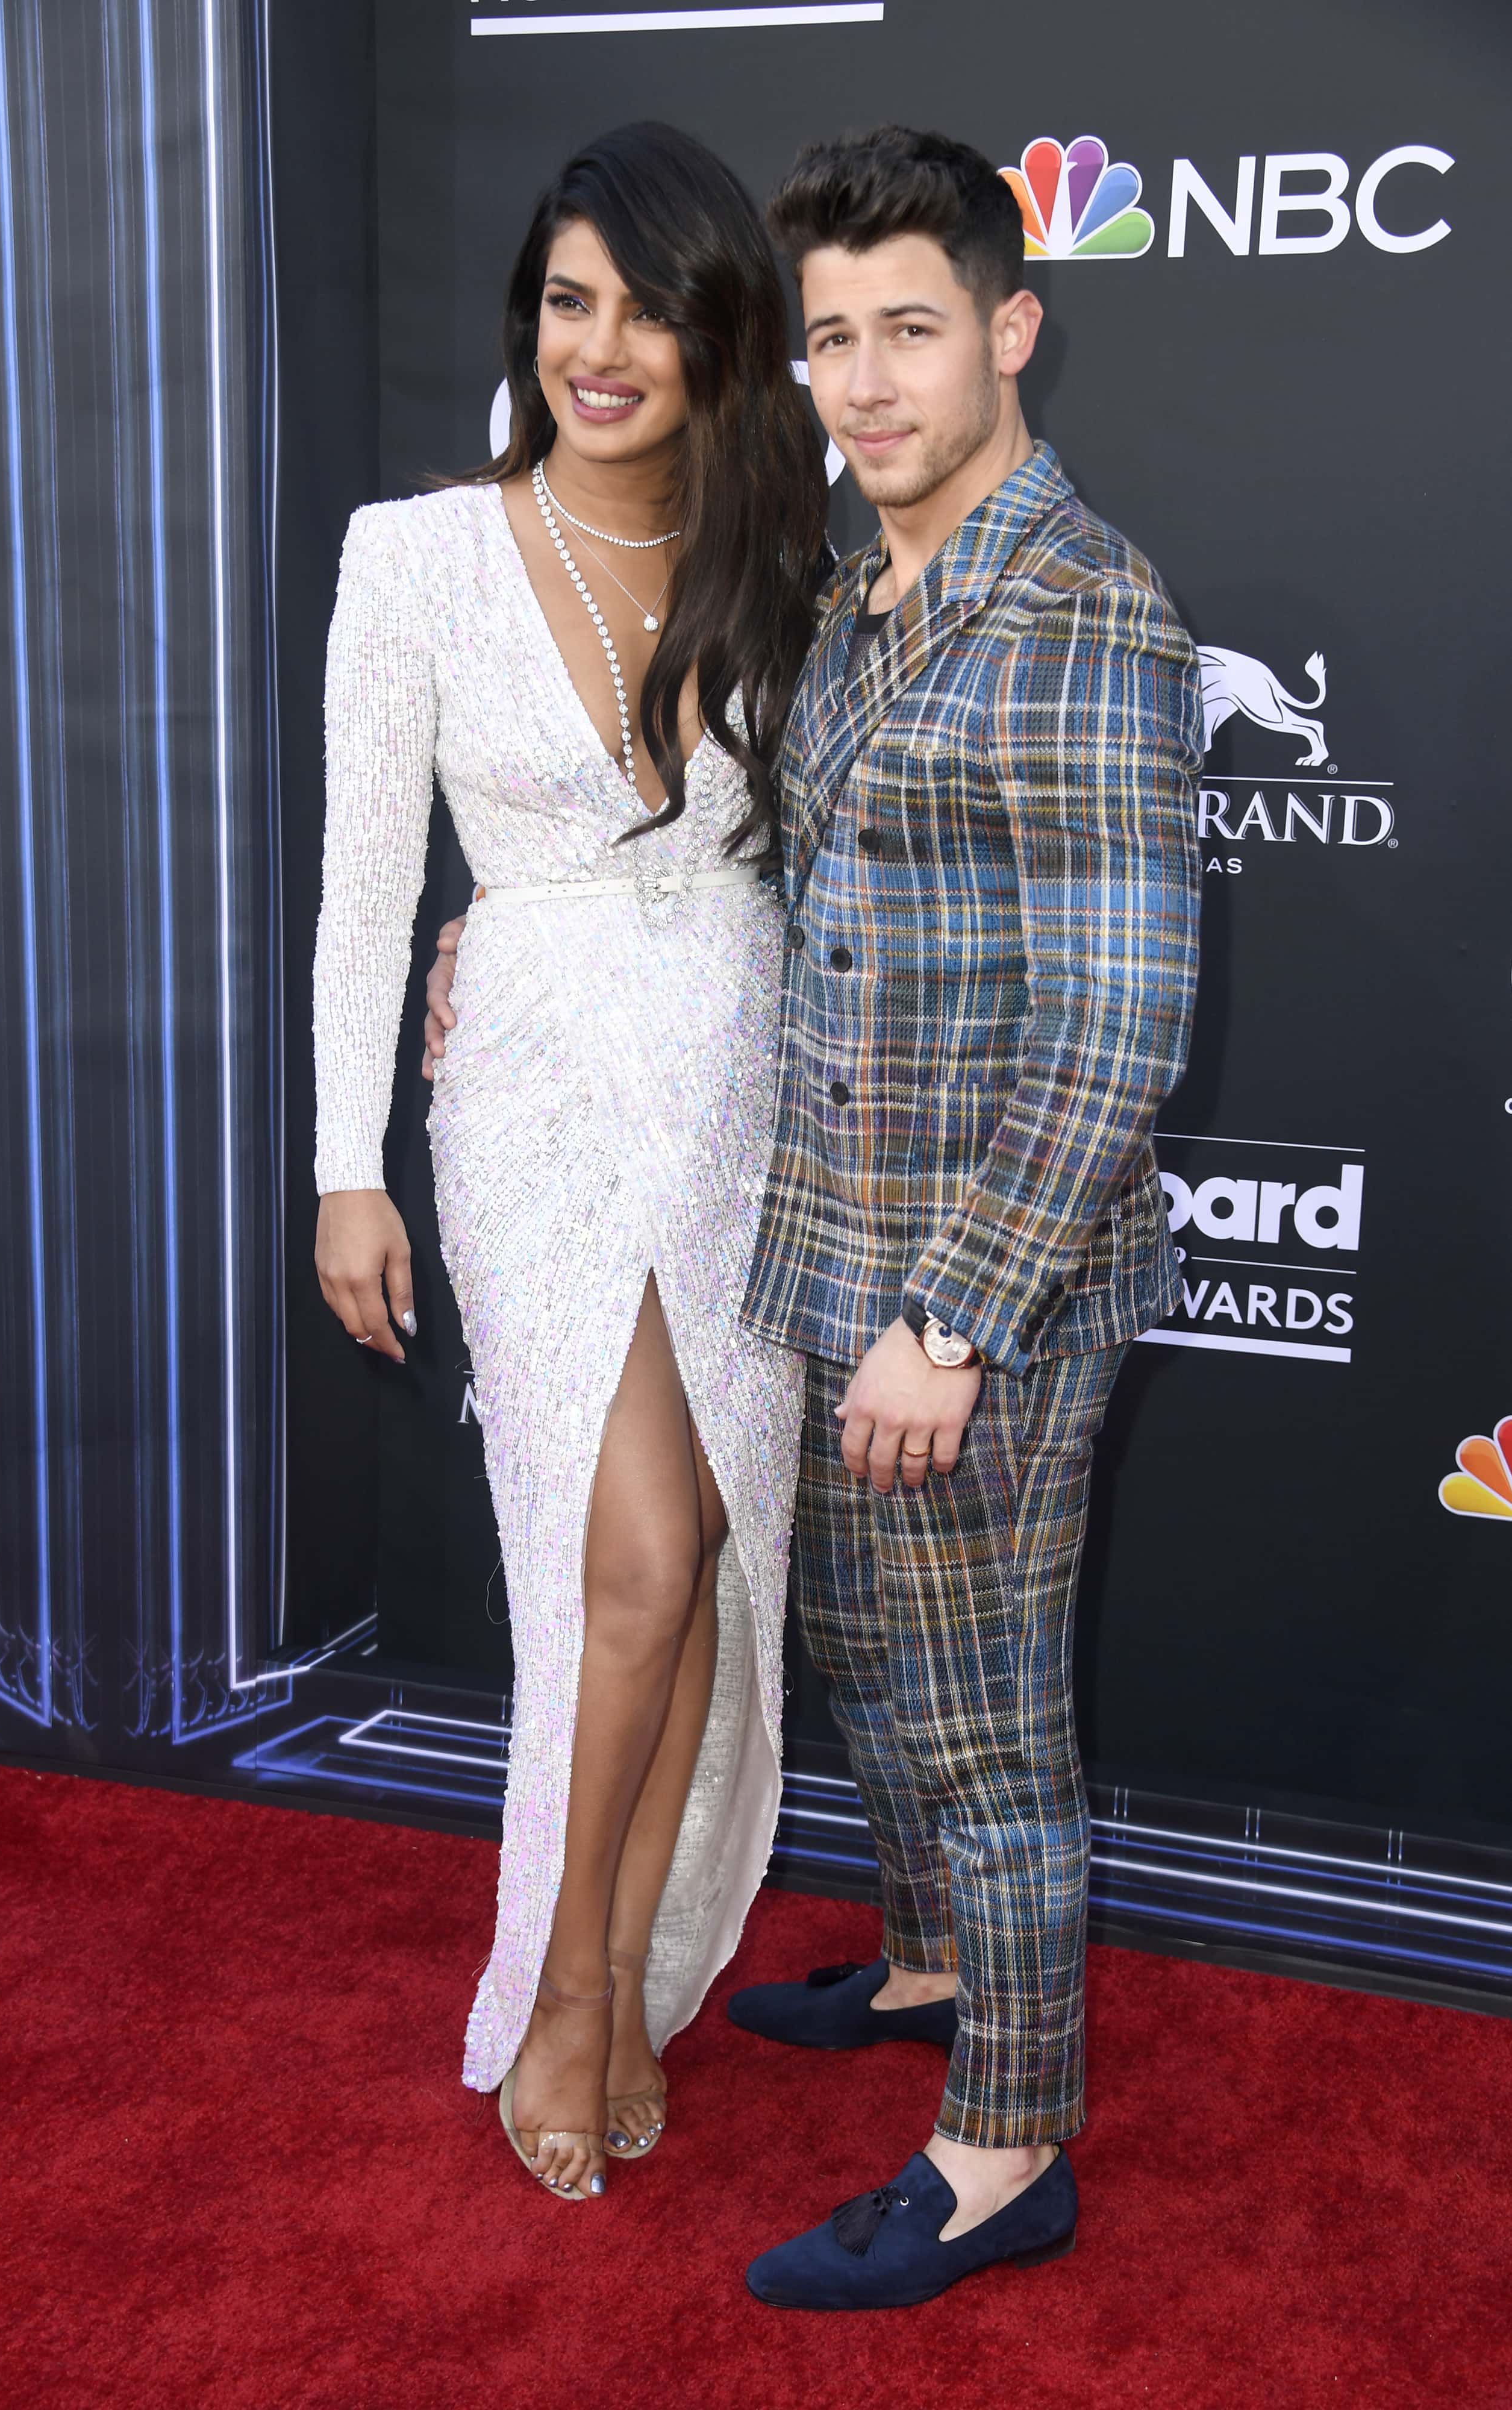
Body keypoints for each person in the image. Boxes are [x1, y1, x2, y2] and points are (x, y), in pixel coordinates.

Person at [429, 120, 1201, 2298]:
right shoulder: (859, 588)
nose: (863, 384)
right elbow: (763, 887)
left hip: (975, 1297)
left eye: (910, 333)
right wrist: (514, 936)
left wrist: (951, 1324)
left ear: (1009, 333)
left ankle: (1002, 2151)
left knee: (985, 1730)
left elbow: (1117, 1025)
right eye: (832, 339)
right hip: (826, 1258)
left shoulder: (1078, 615)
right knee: (867, 1657)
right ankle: (928, 1965)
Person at [314, 121, 826, 2204]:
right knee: (623, 1558)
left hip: (740, 1087)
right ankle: (563, 1990)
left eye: (645, 310)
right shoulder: (413, 554)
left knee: (700, 1550)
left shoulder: (785, 555)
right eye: (564, 300)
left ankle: (630, 1970)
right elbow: (367, 891)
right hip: (525, 1088)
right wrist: (345, 1166)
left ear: (720, 338)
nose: (596, 349)